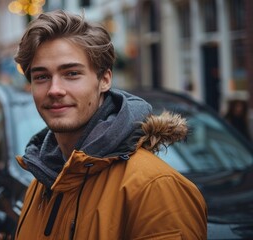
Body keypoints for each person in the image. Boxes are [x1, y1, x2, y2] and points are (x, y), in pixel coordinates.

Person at [13, 10, 207, 239]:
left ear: (104, 79)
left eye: (72, 73)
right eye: (42, 77)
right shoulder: (42, 180)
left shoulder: (155, 188)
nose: (55, 89)